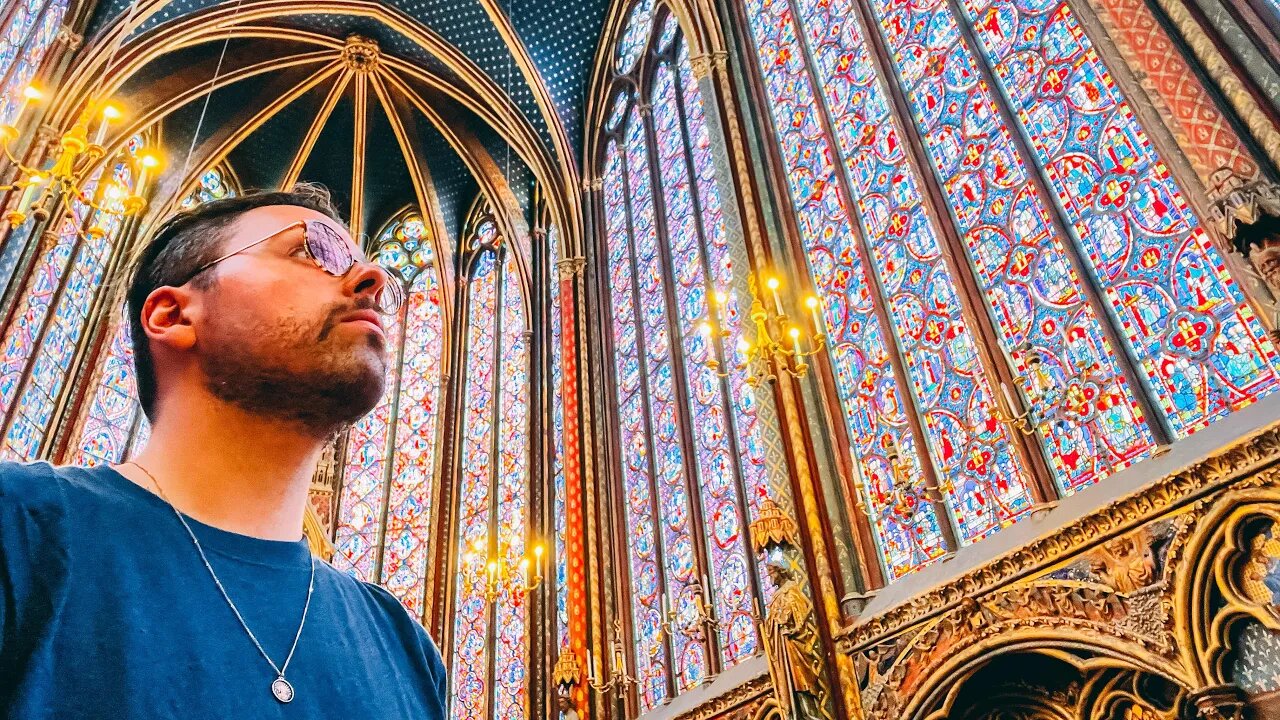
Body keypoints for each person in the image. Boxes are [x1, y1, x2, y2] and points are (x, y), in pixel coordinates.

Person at [0, 185, 446, 718]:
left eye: (371, 269)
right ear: (173, 315)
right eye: (314, 250)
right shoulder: (20, 530)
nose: (372, 280)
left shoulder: (405, 649)